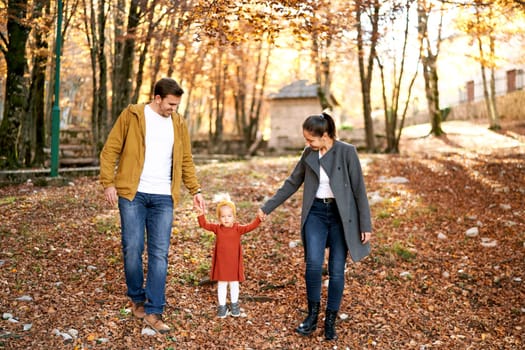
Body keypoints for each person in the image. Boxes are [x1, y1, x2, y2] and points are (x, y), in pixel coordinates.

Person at [99, 77, 205, 334]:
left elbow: (186, 160)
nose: (174, 109)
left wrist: (196, 190)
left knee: (160, 254)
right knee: (132, 248)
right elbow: (110, 150)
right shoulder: (133, 115)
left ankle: (154, 309)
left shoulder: (178, 123)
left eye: (177, 105)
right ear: (157, 98)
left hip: (163, 197)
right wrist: (108, 183)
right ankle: (137, 298)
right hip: (133, 194)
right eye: (171, 104)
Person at [258, 112, 372, 341]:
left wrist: (365, 224)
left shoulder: (346, 152)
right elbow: (292, 183)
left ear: (325, 135)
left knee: (337, 270)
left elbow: (359, 189)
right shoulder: (309, 154)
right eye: (306, 140)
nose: (307, 143)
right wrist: (267, 207)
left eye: (311, 139)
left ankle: (330, 320)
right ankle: (312, 315)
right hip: (316, 213)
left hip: (342, 217)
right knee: (312, 264)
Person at [195, 193, 262, 318]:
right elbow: (204, 225)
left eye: (229, 216)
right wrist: (200, 215)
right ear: (219, 218)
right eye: (223, 216)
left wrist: (258, 219)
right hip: (222, 262)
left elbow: (250, 227)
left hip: (234, 262)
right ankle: (222, 308)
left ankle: (235, 307)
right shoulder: (217, 228)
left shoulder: (238, 229)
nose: (226, 219)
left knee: (234, 284)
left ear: (234, 217)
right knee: (221, 284)